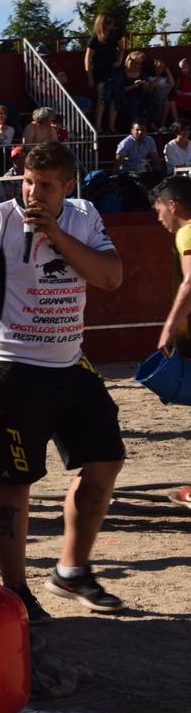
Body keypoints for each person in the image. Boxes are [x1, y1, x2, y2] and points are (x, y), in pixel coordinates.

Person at [0, 142, 125, 621]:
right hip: (12, 368)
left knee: (107, 459)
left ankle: (70, 569)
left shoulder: (83, 216)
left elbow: (110, 278)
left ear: (68, 186)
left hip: (70, 362)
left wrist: (57, 236)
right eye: (27, 181)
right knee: (15, 480)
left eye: (45, 186)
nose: (33, 193)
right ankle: (16, 588)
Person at [149, 176, 191, 511]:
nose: (159, 216)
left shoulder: (186, 232)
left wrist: (169, 326)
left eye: (160, 208)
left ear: (173, 206)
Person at [86, 13, 126, 133]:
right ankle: (98, 126)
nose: (111, 25)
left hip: (114, 69)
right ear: (101, 23)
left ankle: (111, 126)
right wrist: (90, 77)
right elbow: (87, 59)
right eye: (108, 22)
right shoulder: (95, 38)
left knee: (115, 98)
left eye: (112, 22)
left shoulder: (116, 33)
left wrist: (119, 60)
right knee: (103, 98)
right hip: (100, 72)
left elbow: (122, 47)